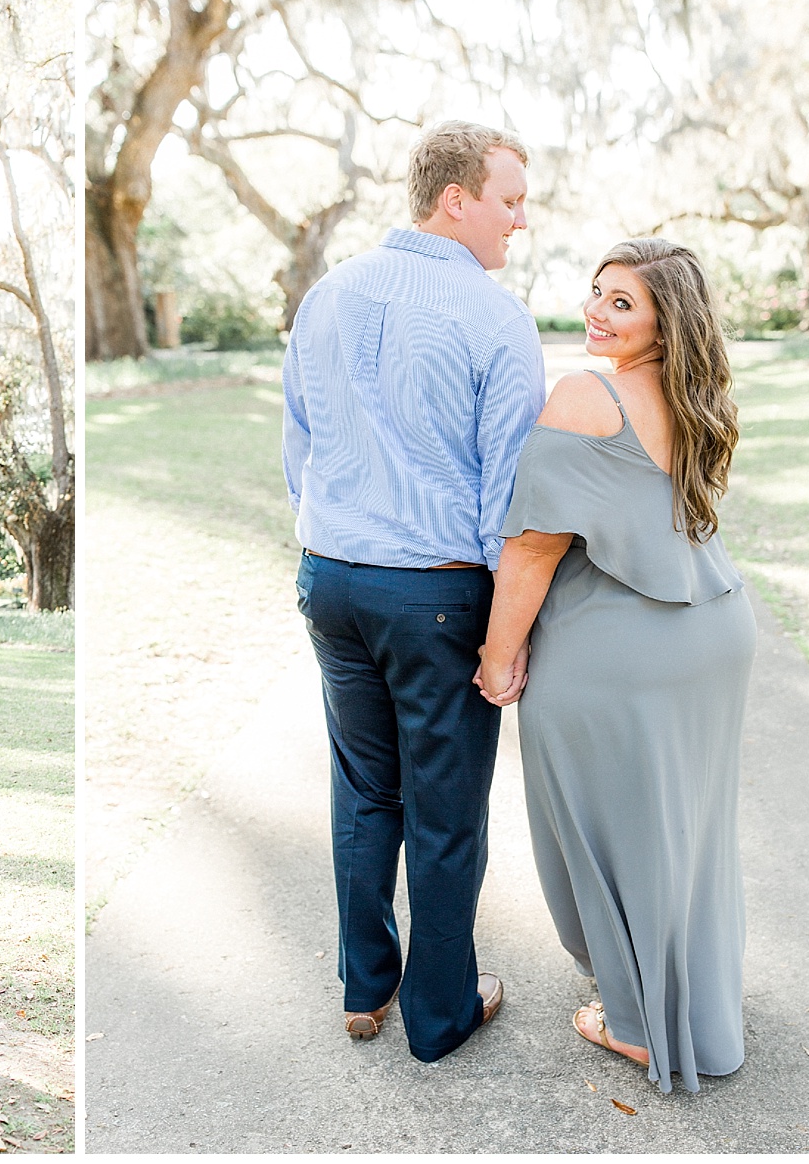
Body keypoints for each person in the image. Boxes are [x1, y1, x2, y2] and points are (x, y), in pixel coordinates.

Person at [282, 119, 545, 1062]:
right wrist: (502, 640)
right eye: (510, 200)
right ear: (456, 200)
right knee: (446, 809)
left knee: (364, 791)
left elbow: (299, 444)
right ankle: (439, 1016)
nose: (520, 221)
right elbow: (510, 495)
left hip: (332, 581)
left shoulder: (328, 294)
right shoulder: (495, 317)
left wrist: (332, 538)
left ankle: (365, 988)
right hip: (436, 593)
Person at [476, 239, 755, 1093]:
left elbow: (531, 550)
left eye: (622, 302)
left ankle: (637, 1026)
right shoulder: (695, 395)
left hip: (617, 651)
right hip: (713, 636)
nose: (597, 311)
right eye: (597, 293)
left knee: (599, 833)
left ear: (668, 321)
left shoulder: (584, 395)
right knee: (685, 830)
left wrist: (497, 658)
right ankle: (691, 1001)